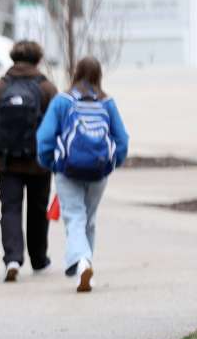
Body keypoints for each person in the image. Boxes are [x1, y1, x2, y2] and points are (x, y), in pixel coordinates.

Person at [35, 57, 129, 292]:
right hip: (99, 171)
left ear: (75, 73)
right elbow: (122, 140)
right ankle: (84, 266)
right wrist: (112, 162)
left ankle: (82, 262)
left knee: (74, 217)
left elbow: (44, 138)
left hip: (67, 170)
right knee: (89, 219)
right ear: (99, 75)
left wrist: (49, 162)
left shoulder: (62, 102)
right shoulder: (107, 103)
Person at [0, 40, 58, 281]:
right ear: (38, 60)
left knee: (10, 209)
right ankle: (39, 260)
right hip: (39, 162)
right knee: (37, 210)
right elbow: (59, 126)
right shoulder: (47, 89)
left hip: (7, 162)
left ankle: (12, 258)